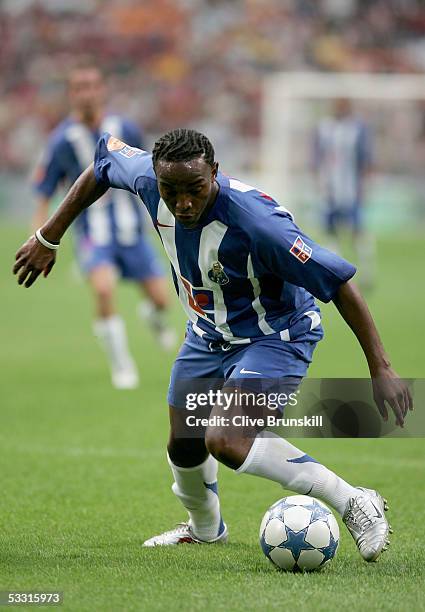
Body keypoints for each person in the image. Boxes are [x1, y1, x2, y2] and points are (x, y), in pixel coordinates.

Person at [14, 128, 412, 562]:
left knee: (225, 439)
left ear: (215, 173)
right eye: (171, 191)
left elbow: (339, 285)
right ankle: (205, 531)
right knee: (184, 443)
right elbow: (103, 163)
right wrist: (47, 237)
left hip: (276, 334)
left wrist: (381, 367)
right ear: (156, 178)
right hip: (207, 334)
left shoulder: (259, 225)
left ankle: (355, 501)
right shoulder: (149, 178)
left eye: (195, 190)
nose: (182, 203)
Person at [32, 62, 175, 389]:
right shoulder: (61, 141)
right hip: (92, 235)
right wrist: (39, 236)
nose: (87, 93)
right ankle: (121, 364)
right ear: (71, 94)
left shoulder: (125, 127)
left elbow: (149, 171)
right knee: (104, 289)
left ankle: (153, 318)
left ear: (102, 90)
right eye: (79, 87)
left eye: (92, 86)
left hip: (132, 233)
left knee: (162, 300)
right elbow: (43, 192)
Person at [313, 98, 375, 288]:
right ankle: (337, 273)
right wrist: (318, 181)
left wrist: (365, 185)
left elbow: (365, 158)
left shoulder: (358, 129)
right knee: (331, 231)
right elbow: (316, 158)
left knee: (357, 230)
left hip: (351, 189)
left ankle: (367, 271)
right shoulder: (324, 128)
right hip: (329, 190)